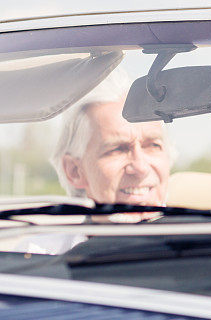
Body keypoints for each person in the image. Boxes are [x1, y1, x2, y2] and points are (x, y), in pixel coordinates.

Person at [15, 69, 173, 254]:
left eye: (153, 145)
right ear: (74, 171)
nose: (140, 167)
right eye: (117, 149)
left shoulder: (207, 253)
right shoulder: (38, 257)